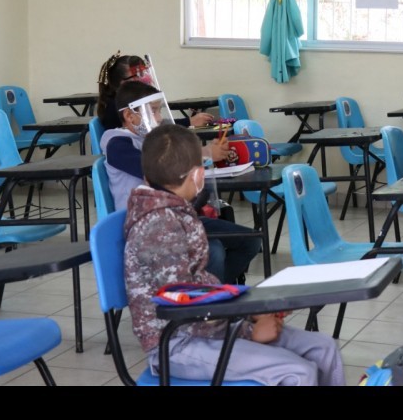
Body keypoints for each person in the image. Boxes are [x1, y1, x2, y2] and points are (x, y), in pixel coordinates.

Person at [125, 122, 345, 385]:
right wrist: (249, 330)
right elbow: (182, 308)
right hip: (177, 344)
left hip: (208, 326)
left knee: (323, 349)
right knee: (298, 372)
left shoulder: (175, 211)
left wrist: (252, 311)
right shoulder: (158, 226)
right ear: (198, 175)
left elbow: (200, 287)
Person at [101, 80, 261, 285]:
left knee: (251, 240)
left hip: (178, 216)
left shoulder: (152, 139)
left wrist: (207, 154)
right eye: (153, 111)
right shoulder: (116, 143)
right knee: (214, 251)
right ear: (129, 116)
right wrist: (204, 153)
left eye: (159, 111)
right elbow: (159, 169)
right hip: (148, 223)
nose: (159, 118)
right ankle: (209, 296)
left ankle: (212, 291)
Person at [96, 51, 215, 131]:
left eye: (144, 73)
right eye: (138, 75)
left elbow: (157, 124)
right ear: (122, 82)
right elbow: (151, 128)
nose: (146, 79)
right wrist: (189, 122)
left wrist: (189, 121)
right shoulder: (118, 109)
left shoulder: (130, 103)